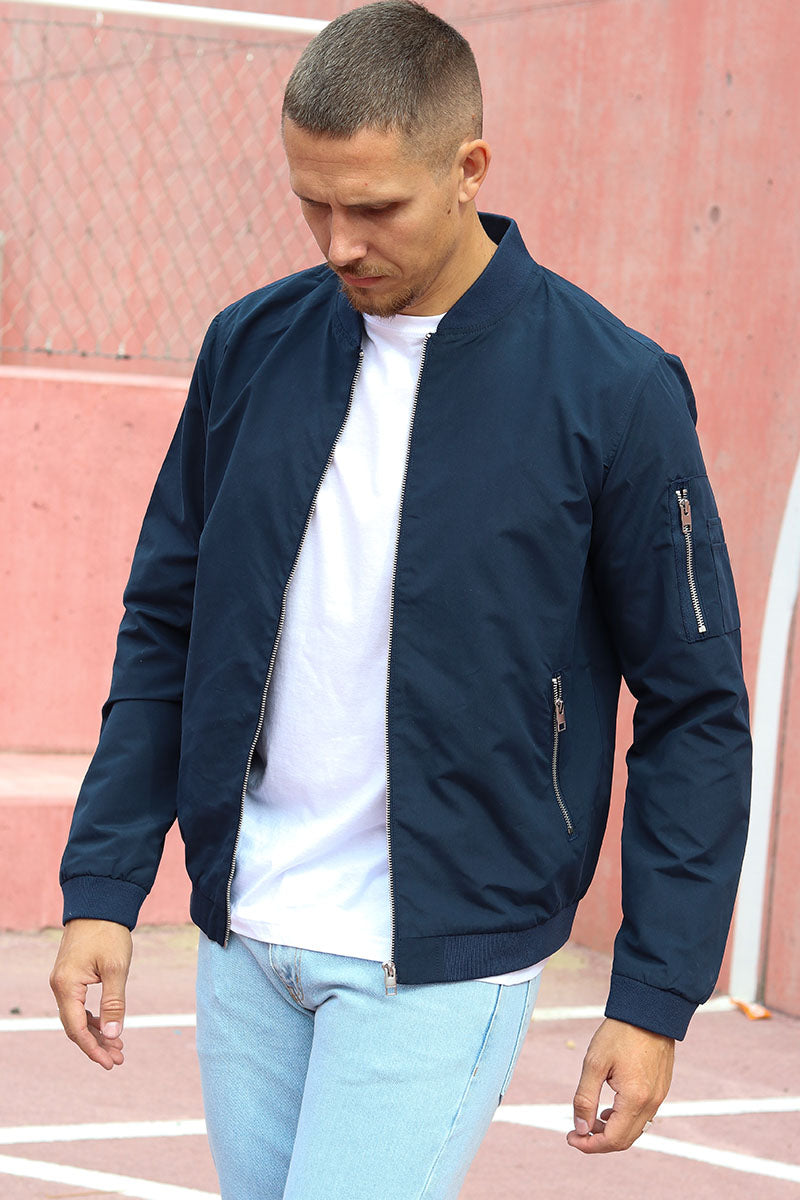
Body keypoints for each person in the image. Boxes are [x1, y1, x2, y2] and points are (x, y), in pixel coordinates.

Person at [49, 2, 752, 1196]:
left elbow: (695, 707)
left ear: (468, 167)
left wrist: (653, 992)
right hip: (248, 929)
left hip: (439, 953)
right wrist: (103, 886)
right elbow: (168, 620)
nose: (339, 243)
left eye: (374, 207)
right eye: (311, 204)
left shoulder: (613, 389)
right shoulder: (250, 347)